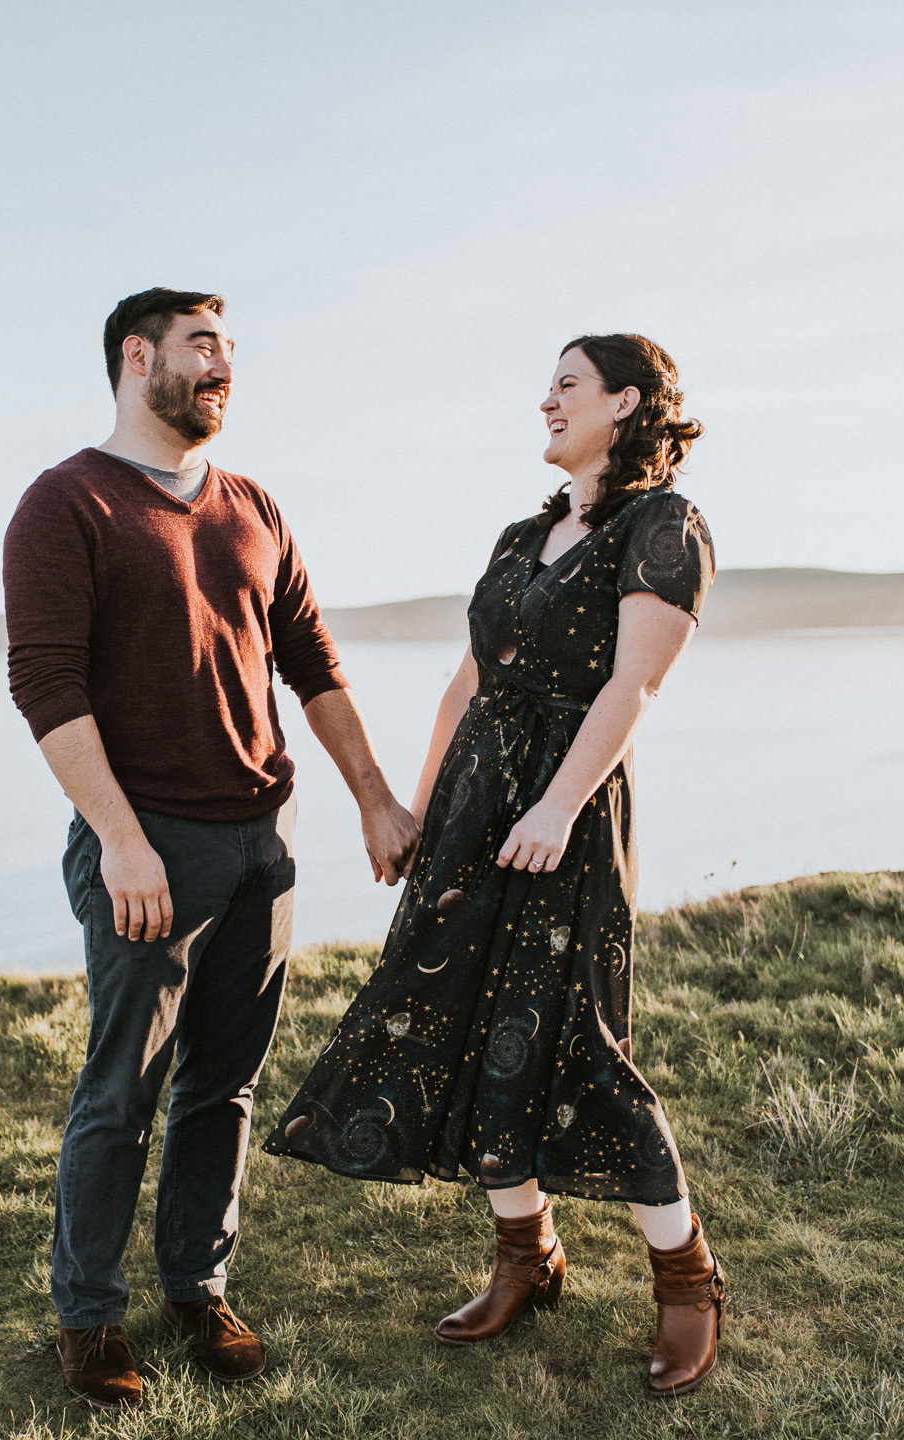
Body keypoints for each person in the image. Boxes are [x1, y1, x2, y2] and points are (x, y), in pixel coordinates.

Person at [263, 333, 725, 1396]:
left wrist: (560, 805)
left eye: (566, 386)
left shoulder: (665, 526)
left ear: (628, 401)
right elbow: (464, 684)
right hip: (474, 808)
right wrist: (415, 815)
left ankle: (687, 1279)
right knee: (463, 1025)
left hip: (565, 812)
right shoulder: (523, 535)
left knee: (576, 1038)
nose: (546, 403)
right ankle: (528, 1255)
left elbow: (633, 689)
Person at [3, 287, 421, 1410]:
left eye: (229, 348)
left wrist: (376, 799)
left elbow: (313, 659)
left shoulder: (253, 505)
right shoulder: (66, 503)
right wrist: (122, 842)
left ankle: (197, 1286)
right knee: (120, 1091)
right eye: (202, 346)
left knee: (224, 1086)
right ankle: (88, 1317)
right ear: (138, 359)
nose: (222, 366)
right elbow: (45, 685)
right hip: (151, 848)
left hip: (262, 840)